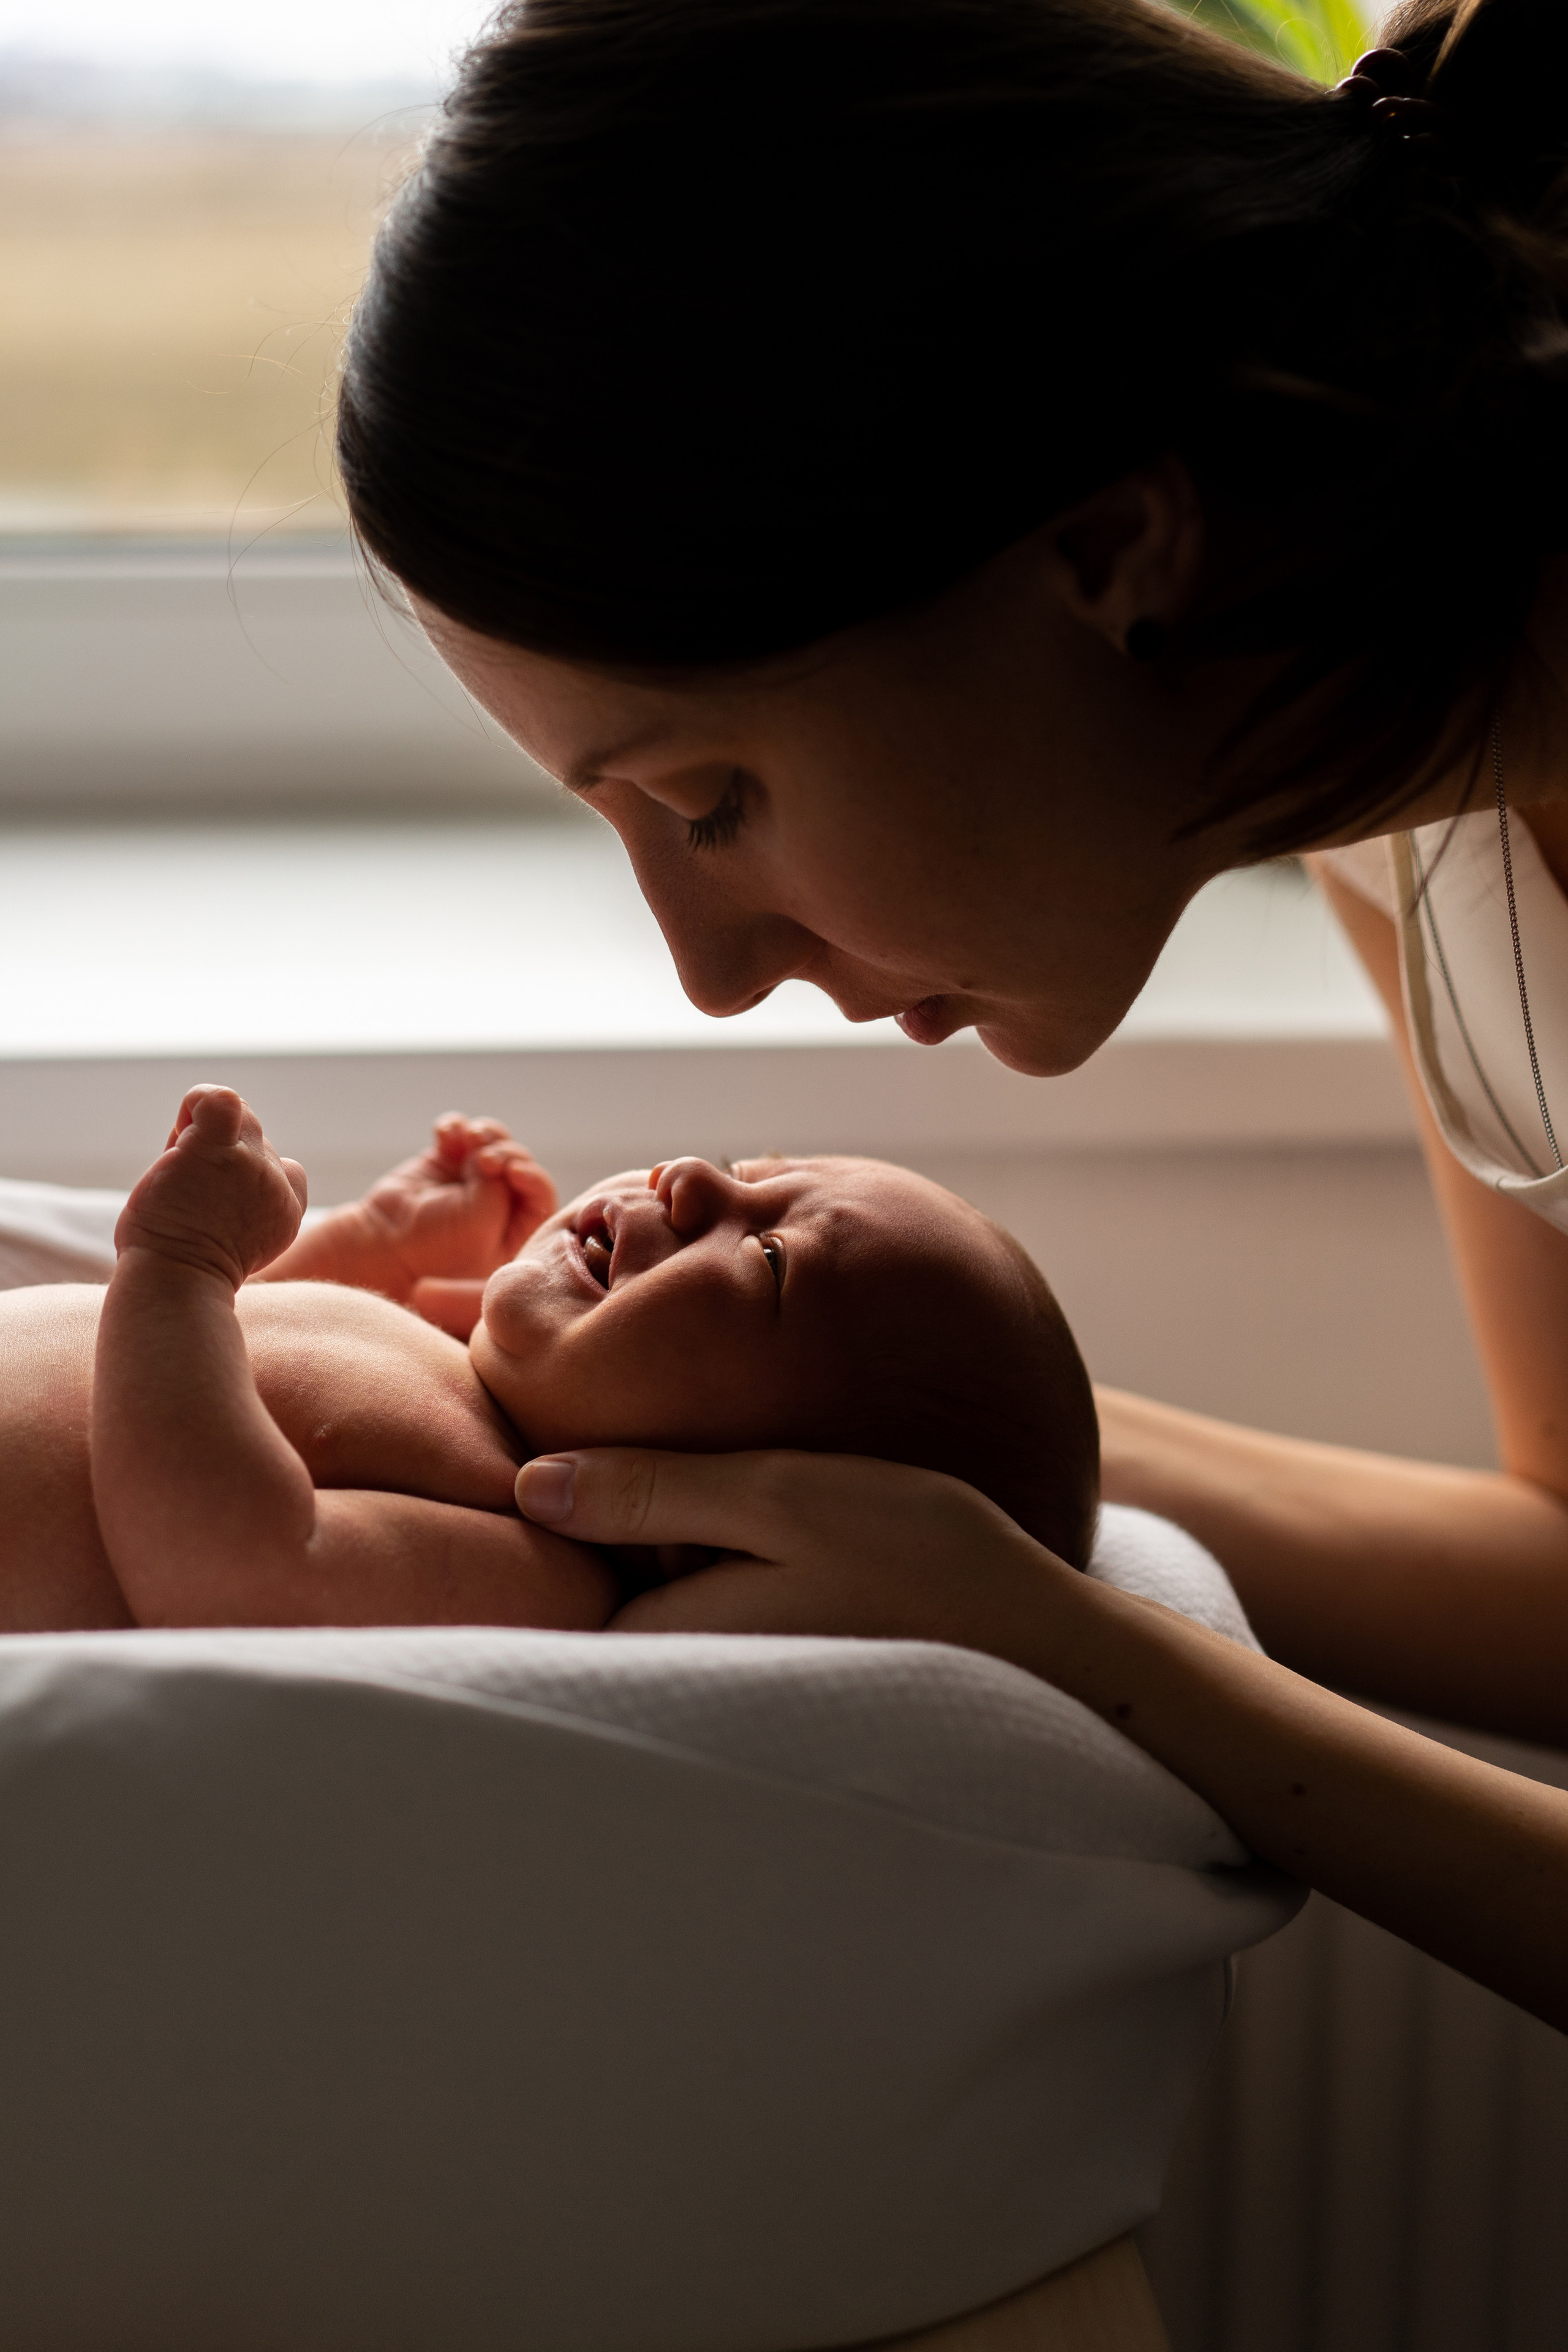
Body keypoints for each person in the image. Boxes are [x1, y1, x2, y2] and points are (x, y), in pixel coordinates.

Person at [326, 0, 1568, 2032]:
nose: (712, 973)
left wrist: (1102, 1662)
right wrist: (709, 1435)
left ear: (1106, 553)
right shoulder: (1397, 795)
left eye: (712, 802)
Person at [3, 1085, 1096, 1633]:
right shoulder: (463, 1384)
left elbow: (233, 1568)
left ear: (746, 1514)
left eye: (768, 1258)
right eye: (740, 1168)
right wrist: (364, 1254)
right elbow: (236, 1382)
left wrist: (183, 1264)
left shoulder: (531, 1557)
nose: (688, 1182)